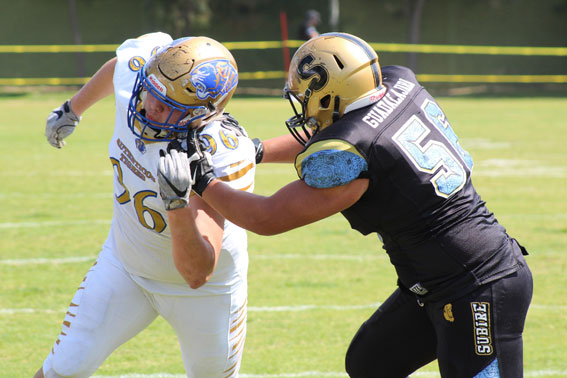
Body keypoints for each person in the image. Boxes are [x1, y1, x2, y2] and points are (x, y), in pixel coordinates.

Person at [168, 32, 533, 378]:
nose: (301, 104)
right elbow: (344, 127)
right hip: (437, 279)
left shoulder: (355, 154)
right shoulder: (394, 84)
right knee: (370, 364)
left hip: (479, 285)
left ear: (329, 93)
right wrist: (256, 150)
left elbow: (267, 217)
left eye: (306, 95)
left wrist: (202, 181)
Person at [36, 32, 255, 378]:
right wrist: (72, 109)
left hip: (203, 294)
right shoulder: (140, 73)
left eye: (168, 106)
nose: (151, 106)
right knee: (62, 369)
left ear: (199, 116)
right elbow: (119, 68)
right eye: (151, 93)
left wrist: (176, 202)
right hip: (125, 266)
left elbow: (198, 272)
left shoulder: (219, 151)